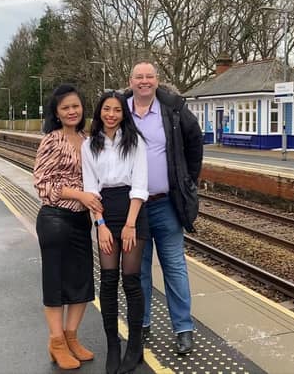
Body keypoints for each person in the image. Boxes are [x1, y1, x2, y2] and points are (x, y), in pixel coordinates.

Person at [126, 62, 203, 355]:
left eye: (149, 76)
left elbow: (195, 143)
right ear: (130, 81)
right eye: (139, 77)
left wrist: (188, 182)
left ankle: (183, 328)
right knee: (139, 270)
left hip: (166, 204)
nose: (144, 81)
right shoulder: (119, 110)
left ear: (157, 81)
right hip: (135, 208)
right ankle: (142, 325)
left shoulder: (173, 109)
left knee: (174, 268)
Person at [33, 84, 104, 370]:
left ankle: (71, 337)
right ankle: (56, 341)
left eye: (75, 106)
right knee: (56, 282)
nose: (72, 111)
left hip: (80, 221)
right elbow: (42, 183)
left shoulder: (89, 140)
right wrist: (80, 195)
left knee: (82, 281)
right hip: (55, 219)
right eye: (65, 108)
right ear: (57, 113)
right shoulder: (52, 140)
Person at [81, 91, 149, 374]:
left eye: (117, 110)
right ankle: (113, 345)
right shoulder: (89, 145)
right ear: (99, 113)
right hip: (105, 211)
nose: (111, 114)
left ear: (124, 114)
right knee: (108, 281)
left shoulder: (135, 142)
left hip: (133, 210)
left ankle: (135, 347)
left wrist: (131, 224)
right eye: (106, 109)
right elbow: (90, 188)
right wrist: (101, 225)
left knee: (131, 282)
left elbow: (140, 184)